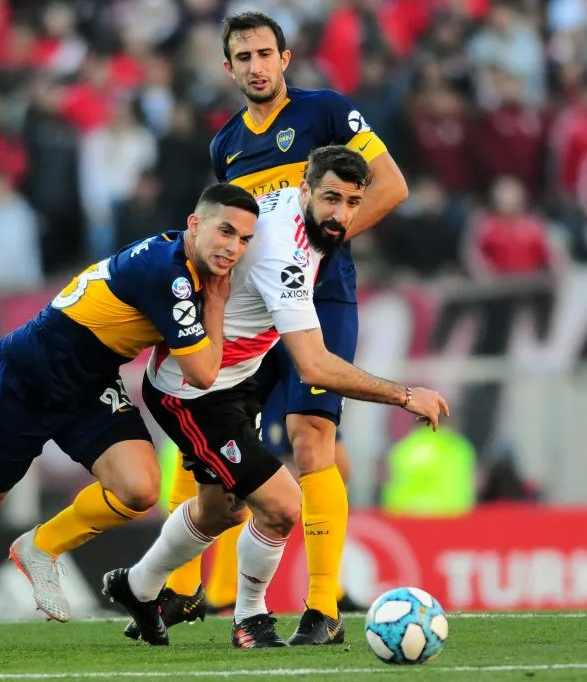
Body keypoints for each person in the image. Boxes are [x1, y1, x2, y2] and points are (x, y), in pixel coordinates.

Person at [0, 183, 257, 652]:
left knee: (138, 488)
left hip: (88, 383)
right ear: (195, 224)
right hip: (28, 374)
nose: (233, 247)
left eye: (244, 240)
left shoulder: (183, 263)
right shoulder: (170, 275)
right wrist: (215, 301)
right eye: (225, 231)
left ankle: (42, 546)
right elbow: (203, 371)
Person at [105, 145, 448, 648]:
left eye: (353, 202)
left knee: (221, 509)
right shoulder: (281, 254)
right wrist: (403, 394)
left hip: (237, 377)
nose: (342, 215)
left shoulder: (294, 210)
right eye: (331, 198)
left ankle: (137, 586)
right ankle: (251, 619)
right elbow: (313, 365)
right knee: (283, 506)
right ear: (306, 190)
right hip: (194, 392)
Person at [152, 10, 410, 643]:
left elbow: (392, 185)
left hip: (324, 302)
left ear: (285, 58)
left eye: (266, 54)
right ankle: (184, 591)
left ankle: (323, 610)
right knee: (208, 431)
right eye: (244, 58)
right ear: (229, 68)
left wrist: (320, 248)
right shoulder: (226, 144)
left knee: (310, 435)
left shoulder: (325, 112)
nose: (257, 66)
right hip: (254, 313)